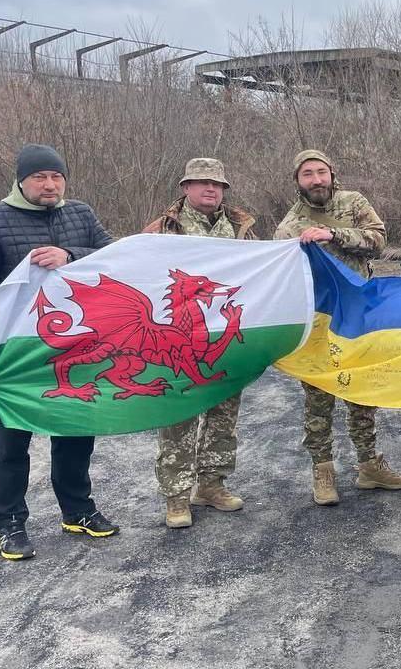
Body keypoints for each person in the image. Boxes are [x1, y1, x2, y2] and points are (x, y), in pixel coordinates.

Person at [0, 143, 118, 561]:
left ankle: (77, 509)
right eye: (40, 177)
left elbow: (114, 258)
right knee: (11, 442)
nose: (50, 185)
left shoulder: (79, 214)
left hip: (75, 346)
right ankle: (9, 523)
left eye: (56, 176)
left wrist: (71, 255)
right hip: (15, 354)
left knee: (76, 430)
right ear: (21, 180)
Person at [274, 149, 401, 505]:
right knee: (318, 399)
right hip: (318, 322)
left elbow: (378, 240)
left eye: (321, 172)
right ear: (297, 181)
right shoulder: (290, 223)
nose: (316, 179)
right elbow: (279, 267)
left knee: (362, 391)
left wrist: (332, 234)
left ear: (332, 174)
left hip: (358, 316)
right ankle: (323, 471)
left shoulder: (354, 203)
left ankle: (369, 465)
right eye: (308, 174)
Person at [143, 158, 256, 528]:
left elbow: (261, 272)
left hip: (224, 336)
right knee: (180, 415)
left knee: (224, 415)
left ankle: (211, 484)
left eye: (217, 184)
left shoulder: (242, 229)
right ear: (185, 187)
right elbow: (139, 272)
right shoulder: (162, 230)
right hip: (179, 339)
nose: (211, 189)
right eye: (202, 183)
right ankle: (176, 496)